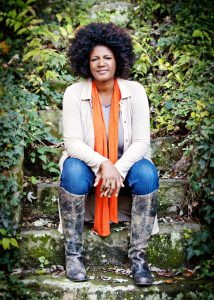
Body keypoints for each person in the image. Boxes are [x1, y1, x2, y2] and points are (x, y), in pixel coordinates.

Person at [58, 22, 159, 286]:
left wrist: (118, 168)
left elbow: (141, 142)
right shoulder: (73, 93)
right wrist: (104, 164)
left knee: (147, 174)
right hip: (90, 168)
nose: (101, 63)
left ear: (118, 60)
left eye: (107, 57)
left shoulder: (135, 91)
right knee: (72, 170)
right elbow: (72, 143)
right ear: (86, 62)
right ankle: (73, 254)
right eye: (94, 59)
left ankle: (139, 258)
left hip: (125, 166)